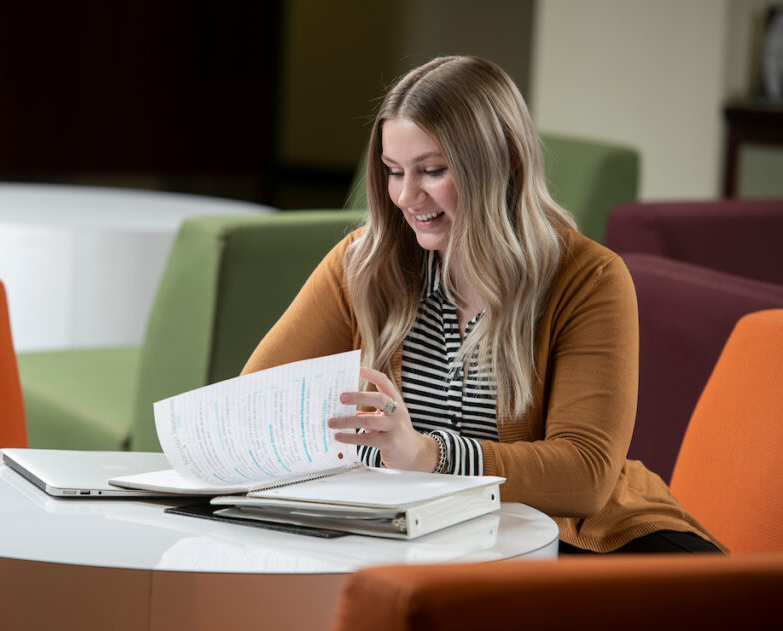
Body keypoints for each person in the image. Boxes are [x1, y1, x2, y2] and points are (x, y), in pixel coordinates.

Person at [243, 56, 723, 554]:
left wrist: (428, 454)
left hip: (586, 542)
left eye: (432, 170)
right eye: (393, 171)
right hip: (429, 536)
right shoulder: (363, 265)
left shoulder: (588, 278)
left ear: (506, 161)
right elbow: (254, 404)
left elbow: (585, 473)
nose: (406, 196)